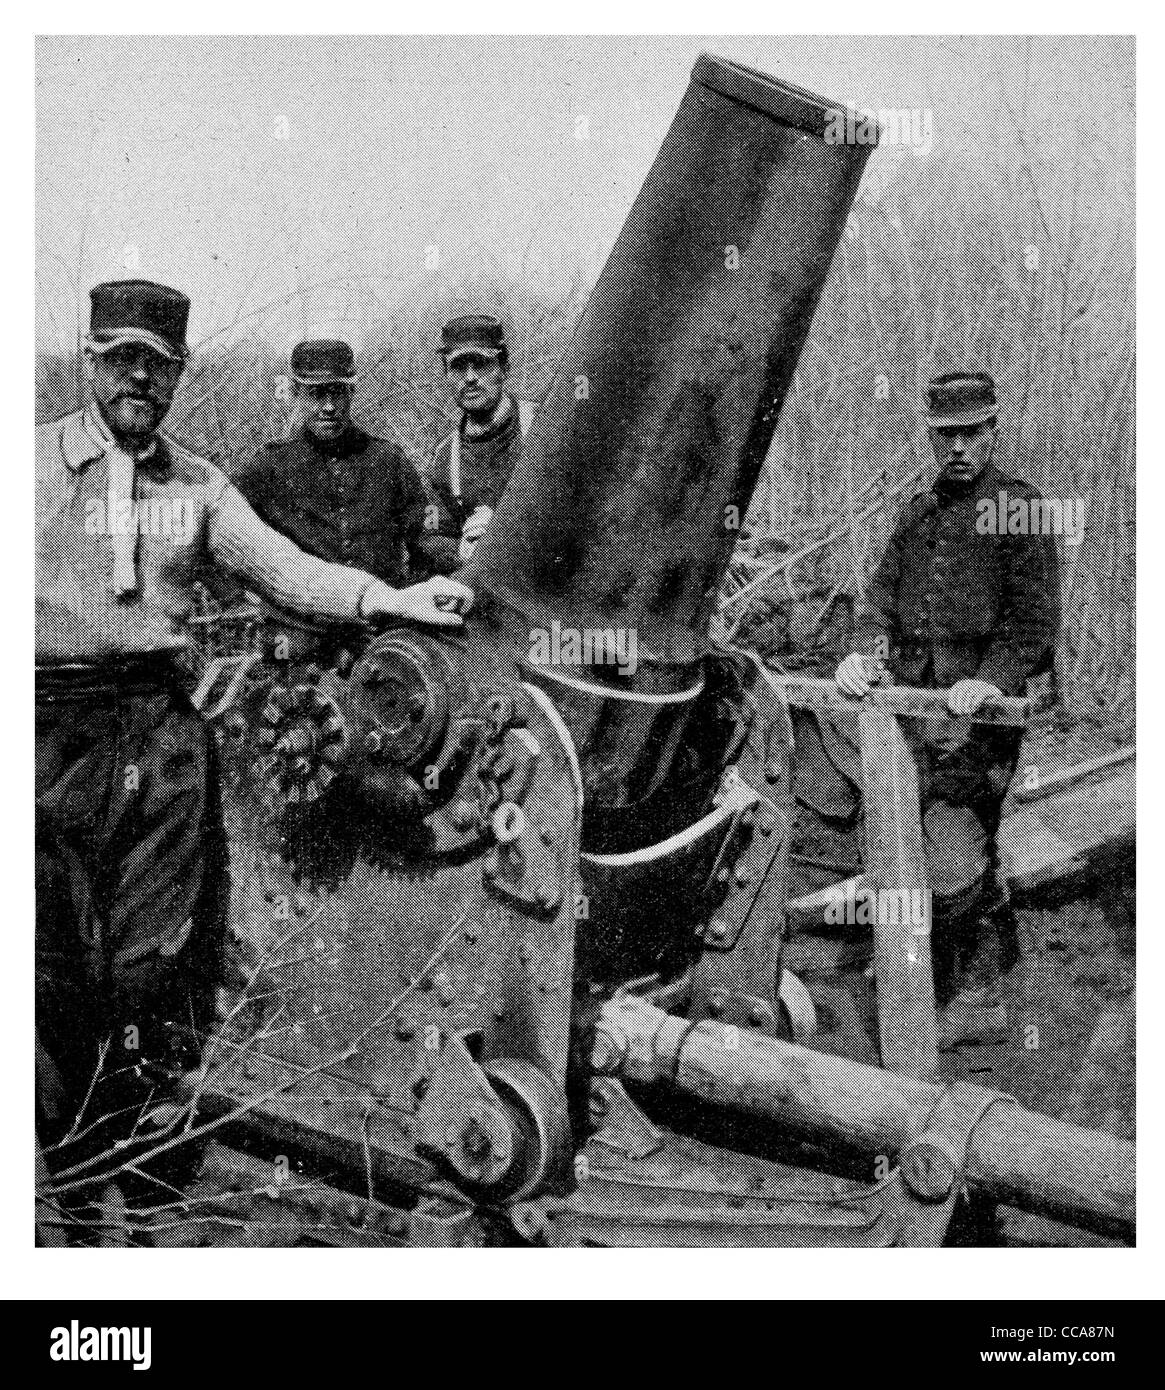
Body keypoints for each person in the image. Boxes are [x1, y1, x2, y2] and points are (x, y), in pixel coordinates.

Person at [35, 280, 472, 1159]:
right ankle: (56, 1163)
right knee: (48, 954)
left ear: (179, 376)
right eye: (121, 361)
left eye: (156, 368)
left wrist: (391, 598)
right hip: (43, 728)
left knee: (151, 957)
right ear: (90, 361)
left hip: (161, 735)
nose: (138, 382)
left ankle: (131, 1137)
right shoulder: (26, 462)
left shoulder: (198, 484)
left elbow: (286, 571)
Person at [825, 371, 1060, 1048]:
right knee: (900, 844)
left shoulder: (1019, 507)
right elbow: (876, 604)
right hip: (908, 717)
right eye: (945, 435)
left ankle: (979, 991)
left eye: (971, 432)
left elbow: (1033, 627)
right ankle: (924, 971)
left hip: (977, 723)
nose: (958, 447)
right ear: (932, 437)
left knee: (953, 859)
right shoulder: (914, 513)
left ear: (992, 431)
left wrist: (987, 682)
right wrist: (861, 653)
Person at [234, 339, 439, 663]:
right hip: (302, 635)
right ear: (296, 395)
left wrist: (409, 602)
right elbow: (228, 547)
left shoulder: (388, 460)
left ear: (351, 393)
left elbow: (426, 545)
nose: (328, 407)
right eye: (317, 394)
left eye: (337, 393)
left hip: (381, 629)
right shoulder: (267, 467)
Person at [425, 314, 533, 572]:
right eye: (459, 367)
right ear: (446, 375)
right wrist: (460, 550)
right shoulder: (444, 459)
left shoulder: (544, 427)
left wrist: (506, 530)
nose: (470, 377)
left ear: (504, 368)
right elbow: (429, 536)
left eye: (481, 364)